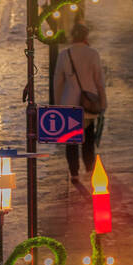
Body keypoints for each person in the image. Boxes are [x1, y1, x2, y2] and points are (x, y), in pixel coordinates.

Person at [53, 22, 107, 181]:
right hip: (88, 103)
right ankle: (89, 169)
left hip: (69, 104)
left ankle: (74, 172)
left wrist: (58, 105)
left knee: (71, 140)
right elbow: (99, 81)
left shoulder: (64, 55)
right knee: (88, 138)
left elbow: (58, 82)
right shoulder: (93, 54)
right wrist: (103, 103)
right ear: (85, 36)